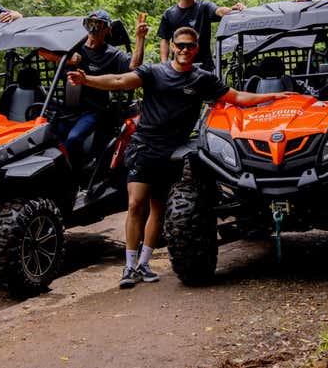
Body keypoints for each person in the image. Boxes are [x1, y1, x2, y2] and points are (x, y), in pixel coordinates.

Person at [67, 27, 293, 288]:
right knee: (136, 204)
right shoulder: (154, 72)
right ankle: (129, 267)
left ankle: (144, 264)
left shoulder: (202, 78)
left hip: (173, 152)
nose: (185, 50)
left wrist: (272, 97)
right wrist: (86, 80)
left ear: (196, 49)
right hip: (145, 146)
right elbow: (119, 80)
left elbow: (237, 97)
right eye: (181, 45)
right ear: (173, 46)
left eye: (190, 46)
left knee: (159, 208)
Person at [61, 10, 148, 179]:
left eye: (98, 25)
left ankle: (76, 178)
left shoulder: (112, 54)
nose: (93, 29)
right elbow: (43, 52)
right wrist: (68, 59)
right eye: (90, 23)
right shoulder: (75, 48)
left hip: (94, 109)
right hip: (68, 108)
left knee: (73, 139)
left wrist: (140, 38)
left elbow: (134, 67)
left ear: (107, 29)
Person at [158, 0, 245, 71]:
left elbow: (219, 11)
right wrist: (164, 66)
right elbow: (164, 40)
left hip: (204, 69)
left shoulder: (204, 7)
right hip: (179, 69)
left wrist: (233, 10)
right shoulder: (169, 14)